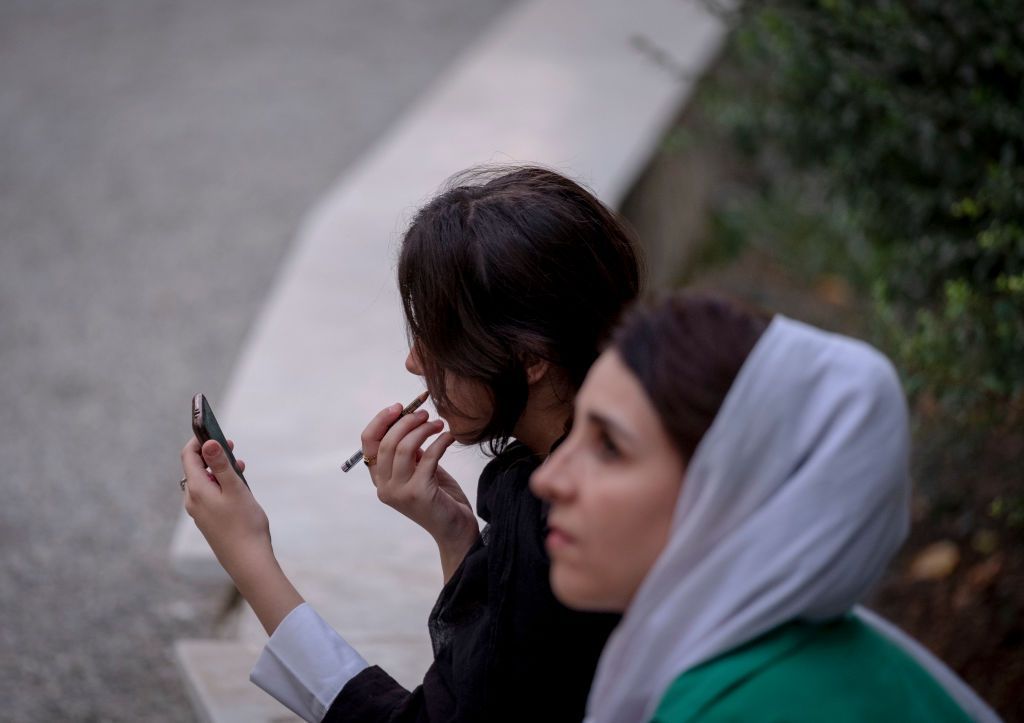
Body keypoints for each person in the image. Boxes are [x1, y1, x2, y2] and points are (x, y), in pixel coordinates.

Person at [180, 166, 642, 722]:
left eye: (440, 337)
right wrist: (458, 541)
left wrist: (248, 556)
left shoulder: (557, 532)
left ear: (529, 358)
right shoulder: (621, 447)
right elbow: (484, 682)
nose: (414, 361)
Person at [531, 293, 1001, 722]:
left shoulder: (743, 706)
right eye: (573, 436)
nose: (546, 479)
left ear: (735, 491)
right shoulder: (814, 652)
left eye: (609, 446)